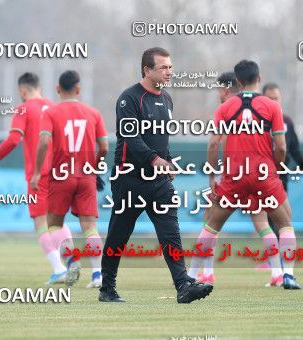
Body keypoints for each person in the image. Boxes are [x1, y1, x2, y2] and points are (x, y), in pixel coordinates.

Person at [99, 47, 213, 303]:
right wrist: (156, 160)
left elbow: (161, 140)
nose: (169, 71)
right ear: (146, 70)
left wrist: (168, 161)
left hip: (159, 181)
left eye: (170, 67)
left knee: (170, 231)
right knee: (119, 233)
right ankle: (107, 288)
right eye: (163, 67)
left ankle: (183, 285)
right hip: (130, 179)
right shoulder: (129, 98)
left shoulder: (168, 99)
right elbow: (131, 138)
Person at [196, 59, 301, 289]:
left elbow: (213, 144)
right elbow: (281, 147)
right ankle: (287, 275)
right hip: (264, 176)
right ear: (259, 79)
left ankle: (195, 275)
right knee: (284, 223)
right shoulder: (273, 107)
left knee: (211, 224)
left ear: (238, 82)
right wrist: (275, 168)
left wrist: (212, 177)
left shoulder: (224, 108)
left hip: (234, 176)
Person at [0, 72, 74, 285]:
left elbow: (13, 140)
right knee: (56, 219)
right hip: (61, 172)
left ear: (22, 90)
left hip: (38, 175)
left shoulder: (23, 108)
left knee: (40, 222)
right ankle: (72, 258)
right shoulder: (54, 107)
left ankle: (59, 269)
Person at [30, 70, 108, 289]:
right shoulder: (93, 113)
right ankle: (98, 275)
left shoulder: (51, 112)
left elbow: (44, 142)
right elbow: (104, 147)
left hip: (60, 175)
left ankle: (72, 259)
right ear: (78, 89)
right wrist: (94, 166)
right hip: (85, 175)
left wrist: (37, 172)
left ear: (57, 89)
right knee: (90, 227)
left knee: (54, 224)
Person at [262, 83, 303, 193]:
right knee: (260, 208)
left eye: (276, 98)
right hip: (260, 173)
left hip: (280, 174)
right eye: (270, 99)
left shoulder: (287, 121)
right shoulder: (255, 121)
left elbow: (294, 148)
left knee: (282, 208)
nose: (273, 102)